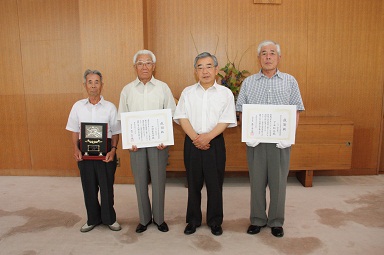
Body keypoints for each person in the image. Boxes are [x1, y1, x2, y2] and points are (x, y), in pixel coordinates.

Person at [236, 40, 305, 238]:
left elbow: (296, 111)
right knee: (256, 182)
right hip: (256, 143)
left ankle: (276, 221)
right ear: (258, 58)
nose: (268, 57)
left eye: (272, 53)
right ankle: (257, 219)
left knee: (278, 183)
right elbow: (241, 111)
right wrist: (246, 134)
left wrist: (289, 137)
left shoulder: (290, 81)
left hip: (280, 143)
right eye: (264, 53)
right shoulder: (249, 82)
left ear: (279, 57)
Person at [173, 52, 237, 236]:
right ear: (195, 71)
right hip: (192, 142)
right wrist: (196, 138)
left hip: (215, 143)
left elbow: (226, 120)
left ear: (216, 70)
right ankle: (192, 220)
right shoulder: (188, 92)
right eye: (200, 67)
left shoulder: (225, 93)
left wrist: (207, 137)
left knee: (215, 184)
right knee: (193, 184)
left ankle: (215, 221)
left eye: (209, 66)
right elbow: (182, 117)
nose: (205, 71)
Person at [117, 49, 176, 233]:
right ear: (135, 67)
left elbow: (171, 115)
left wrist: (165, 139)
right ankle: (144, 219)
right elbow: (123, 118)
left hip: (159, 144)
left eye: (148, 63)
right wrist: (128, 141)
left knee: (159, 181)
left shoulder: (163, 88)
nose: (144, 66)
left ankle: (159, 219)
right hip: (136, 145)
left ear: (154, 66)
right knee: (140, 181)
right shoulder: (127, 90)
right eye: (140, 63)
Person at [66, 69, 121, 233]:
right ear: (85, 85)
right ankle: (92, 219)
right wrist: (76, 148)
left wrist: (113, 150)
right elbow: (74, 130)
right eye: (90, 82)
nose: (93, 85)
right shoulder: (77, 106)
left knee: (106, 189)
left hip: (106, 154)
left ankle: (109, 219)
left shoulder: (110, 107)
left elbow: (116, 132)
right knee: (89, 188)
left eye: (97, 82)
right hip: (85, 154)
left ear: (102, 85)